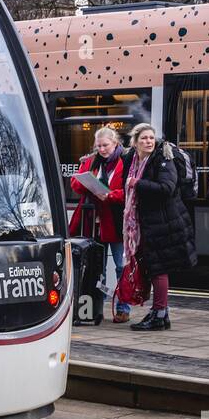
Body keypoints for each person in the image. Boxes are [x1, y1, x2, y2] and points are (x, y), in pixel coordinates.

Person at [117, 122, 197, 331]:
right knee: (153, 267)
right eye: (144, 138)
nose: (148, 142)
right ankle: (160, 312)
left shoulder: (163, 159)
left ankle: (160, 314)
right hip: (147, 223)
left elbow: (167, 188)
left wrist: (137, 183)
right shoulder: (131, 160)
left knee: (158, 268)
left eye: (151, 138)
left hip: (164, 222)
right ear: (135, 142)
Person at [68, 127, 130, 322]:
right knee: (97, 267)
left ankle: (123, 307)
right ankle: (97, 306)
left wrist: (110, 195)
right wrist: (88, 183)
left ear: (115, 143)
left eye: (106, 145)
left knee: (121, 266)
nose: (102, 149)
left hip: (117, 220)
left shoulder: (126, 161)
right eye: (99, 145)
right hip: (94, 222)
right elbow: (75, 184)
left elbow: (129, 191)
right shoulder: (89, 161)